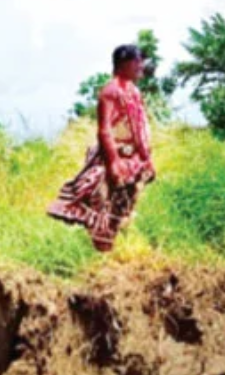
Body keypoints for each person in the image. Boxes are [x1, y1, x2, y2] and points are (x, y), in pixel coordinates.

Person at [47, 44, 156, 252]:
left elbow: (139, 127)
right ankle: (101, 256)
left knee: (123, 209)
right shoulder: (110, 91)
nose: (141, 66)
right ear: (124, 63)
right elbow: (104, 130)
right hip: (111, 159)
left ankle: (114, 252)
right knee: (102, 209)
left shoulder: (134, 92)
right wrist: (114, 162)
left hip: (133, 160)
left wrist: (145, 159)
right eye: (137, 61)